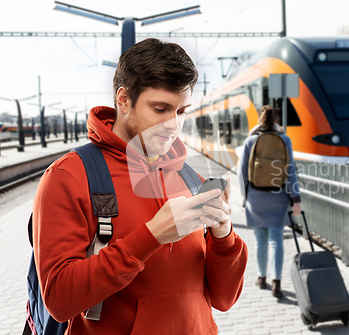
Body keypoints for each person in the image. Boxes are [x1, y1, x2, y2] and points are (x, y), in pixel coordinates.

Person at [33, 38, 248, 335]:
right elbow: (59, 299)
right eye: (160, 109)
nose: (174, 124)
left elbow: (224, 299)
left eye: (182, 111)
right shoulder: (69, 176)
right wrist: (151, 236)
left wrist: (223, 236)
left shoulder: (191, 175)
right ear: (123, 100)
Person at [237, 105, 301, 298]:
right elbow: (291, 171)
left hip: (256, 198)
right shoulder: (285, 140)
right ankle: (277, 283)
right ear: (276, 120)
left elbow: (242, 173)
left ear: (260, 119)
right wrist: (295, 199)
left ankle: (261, 278)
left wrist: (245, 196)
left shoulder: (250, 140)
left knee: (260, 240)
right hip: (279, 196)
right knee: (276, 241)